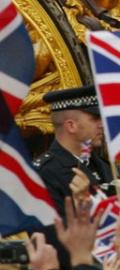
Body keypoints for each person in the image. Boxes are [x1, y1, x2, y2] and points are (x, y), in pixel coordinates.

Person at [36, 85, 113, 215]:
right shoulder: (43, 174)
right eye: (95, 118)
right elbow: (54, 233)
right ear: (71, 126)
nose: (102, 124)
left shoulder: (102, 164)